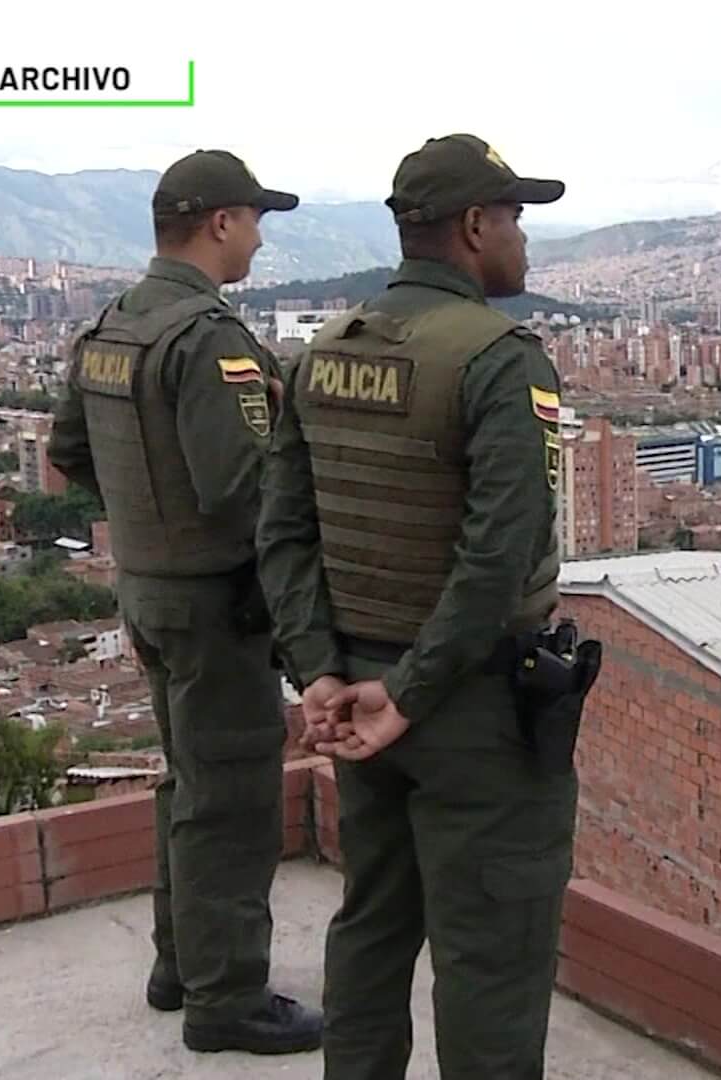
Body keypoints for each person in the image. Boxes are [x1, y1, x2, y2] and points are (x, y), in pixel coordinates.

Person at [256, 134, 575, 1079]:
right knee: (493, 952)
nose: (522, 238)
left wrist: (320, 667)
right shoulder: (500, 360)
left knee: (373, 922)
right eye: (514, 216)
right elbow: (499, 554)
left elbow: (284, 534)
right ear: (475, 227)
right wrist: (414, 689)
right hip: (467, 704)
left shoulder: (324, 355)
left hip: (355, 690)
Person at [47, 149, 323, 1055]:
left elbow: (72, 452)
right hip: (215, 606)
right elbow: (246, 494)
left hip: (150, 593)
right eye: (253, 220)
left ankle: (181, 966)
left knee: (189, 785)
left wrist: (145, 523)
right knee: (232, 800)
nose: (256, 237)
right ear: (218, 224)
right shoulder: (208, 339)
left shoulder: (115, 325)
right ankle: (229, 998)